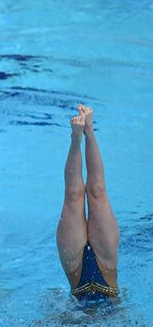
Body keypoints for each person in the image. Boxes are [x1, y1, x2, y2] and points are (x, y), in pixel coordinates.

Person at [56, 104, 119, 300]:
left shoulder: (71, 326)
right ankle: (89, 131)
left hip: (76, 272)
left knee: (73, 195)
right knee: (97, 192)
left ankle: (76, 139)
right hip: (106, 265)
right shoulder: (114, 324)